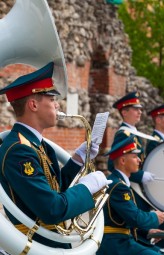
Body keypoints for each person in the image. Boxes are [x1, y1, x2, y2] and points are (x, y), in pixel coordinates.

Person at [0, 62, 111, 249]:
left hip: (49, 242)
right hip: (36, 244)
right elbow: (52, 208)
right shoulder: (20, 150)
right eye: (51, 99)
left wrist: (77, 161)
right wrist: (86, 188)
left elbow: (54, 190)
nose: (57, 104)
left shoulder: (38, 145)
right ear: (33, 104)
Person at [97, 135, 164, 255]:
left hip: (120, 240)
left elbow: (126, 220)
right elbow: (135, 218)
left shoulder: (118, 182)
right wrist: (154, 217)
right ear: (123, 161)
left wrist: (147, 231)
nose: (139, 160)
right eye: (134, 157)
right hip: (115, 244)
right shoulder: (118, 186)